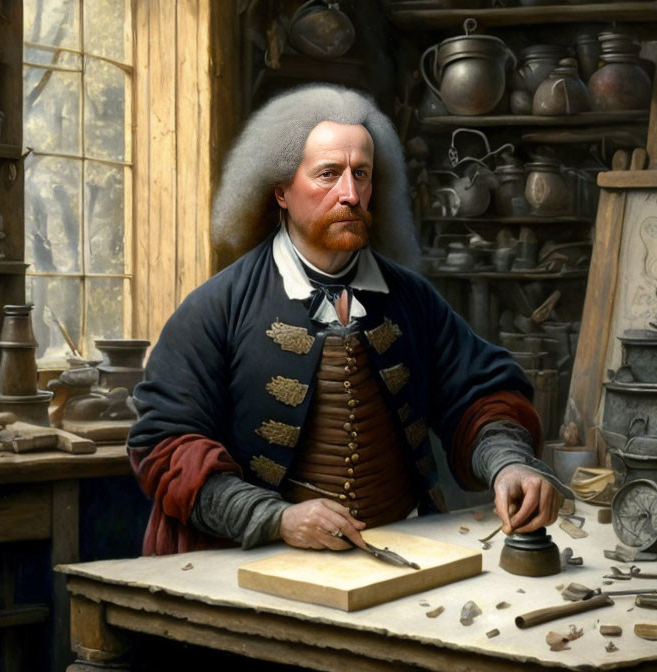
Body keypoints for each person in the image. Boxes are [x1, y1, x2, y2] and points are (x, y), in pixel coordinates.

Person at [127, 84, 570, 556]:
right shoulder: (216, 306)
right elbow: (166, 444)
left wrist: (509, 464)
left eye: (362, 174)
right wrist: (273, 518)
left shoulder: (412, 300)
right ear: (281, 190)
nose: (351, 194)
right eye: (328, 175)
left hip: (401, 552)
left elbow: (480, 395)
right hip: (256, 558)